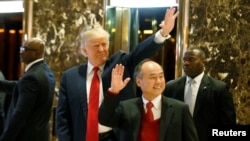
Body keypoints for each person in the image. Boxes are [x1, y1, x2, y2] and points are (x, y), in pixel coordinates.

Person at [56, 7, 179, 141]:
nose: (102, 49)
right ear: (84, 51)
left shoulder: (120, 64)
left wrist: (162, 33)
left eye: (104, 44)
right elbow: (62, 116)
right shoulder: (70, 77)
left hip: (116, 137)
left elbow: (139, 52)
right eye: (96, 46)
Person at [99, 59, 199, 141]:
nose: (158, 81)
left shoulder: (180, 109)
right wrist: (113, 92)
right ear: (138, 82)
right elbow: (104, 119)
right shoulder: (126, 107)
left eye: (161, 76)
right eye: (153, 77)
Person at [163, 47, 236, 141]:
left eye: (191, 59)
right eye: (184, 60)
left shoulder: (218, 89)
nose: (186, 63)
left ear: (203, 63)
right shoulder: (170, 87)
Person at [0, 38, 56, 141]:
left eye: (24, 49)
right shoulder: (44, 70)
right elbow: (20, 86)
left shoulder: (32, 77)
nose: (20, 52)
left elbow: (20, 115)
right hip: (40, 134)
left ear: (36, 53)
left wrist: (5, 138)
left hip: (27, 136)